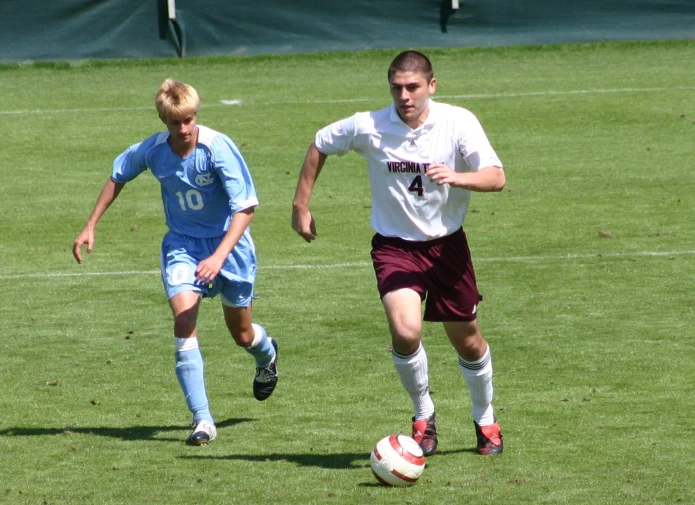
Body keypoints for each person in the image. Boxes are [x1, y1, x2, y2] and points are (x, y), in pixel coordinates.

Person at [291, 50, 505, 455]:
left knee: (467, 340)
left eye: (413, 87)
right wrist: (301, 205)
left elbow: (496, 177)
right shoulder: (368, 125)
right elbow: (320, 142)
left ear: (431, 86)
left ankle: (485, 416)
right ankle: (423, 415)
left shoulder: (458, 122)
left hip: (447, 249)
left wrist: (458, 176)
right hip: (394, 247)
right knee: (406, 331)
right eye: (397, 87)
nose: (404, 95)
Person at [73, 79, 279, 446]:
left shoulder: (218, 149)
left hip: (229, 247)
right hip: (182, 246)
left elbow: (245, 208)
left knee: (242, 334)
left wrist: (219, 256)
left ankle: (267, 354)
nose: (183, 129)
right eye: (175, 123)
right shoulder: (153, 151)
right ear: (163, 121)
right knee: (184, 320)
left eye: (189, 120)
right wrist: (90, 225)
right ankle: (202, 420)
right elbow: (118, 175)